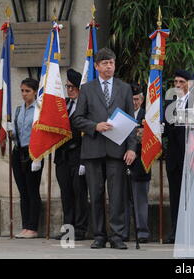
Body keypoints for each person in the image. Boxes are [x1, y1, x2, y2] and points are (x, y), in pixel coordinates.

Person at [72, 48, 137, 249]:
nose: (109, 66)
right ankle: (99, 235)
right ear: (97, 66)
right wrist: (95, 126)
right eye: (105, 63)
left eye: (111, 62)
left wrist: (132, 148)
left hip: (117, 150)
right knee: (96, 193)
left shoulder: (124, 88)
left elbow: (131, 121)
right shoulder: (87, 89)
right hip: (93, 150)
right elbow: (77, 118)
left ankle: (117, 236)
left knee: (116, 195)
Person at [54, 69, 89, 241]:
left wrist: (84, 160)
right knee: (66, 193)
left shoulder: (86, 107)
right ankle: (68, 228)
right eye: (67, 87)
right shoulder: (64, 105)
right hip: (62, 156)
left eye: (72, 87)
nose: (69, 90)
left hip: (78, 154)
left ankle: (81, 229)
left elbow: (88, 135)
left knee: (79, 193)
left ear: (80, 88)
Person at [163, 69, 194, 244]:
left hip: (191, 156)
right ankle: (175, 231)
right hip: (174, 157)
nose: (177, 85)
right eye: (175, 82)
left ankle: (190, 231)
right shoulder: (170, 102)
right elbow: (167, 129)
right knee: (175, 196)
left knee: (191, 197)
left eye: (181, 82)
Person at [12, 78, 43, 239]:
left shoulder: (39, 110)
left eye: (27, 91)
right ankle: (25, 226)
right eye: (22, 90)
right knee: (22, 191)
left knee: (32, 190)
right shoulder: (19, 110)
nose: (24, 94)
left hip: (33, 152)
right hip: (18, 152)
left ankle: (33, 227)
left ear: (35, 92)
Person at [123, 83, 151, 243]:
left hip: (141, 162)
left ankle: (142, 232)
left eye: (136, 99)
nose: (134, 102)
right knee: (123, 199)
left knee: (140, 199)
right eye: (131, 99)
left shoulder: (148, 116)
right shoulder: (122, 114)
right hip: (123, 161)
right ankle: (124, 231)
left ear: (141, 99)